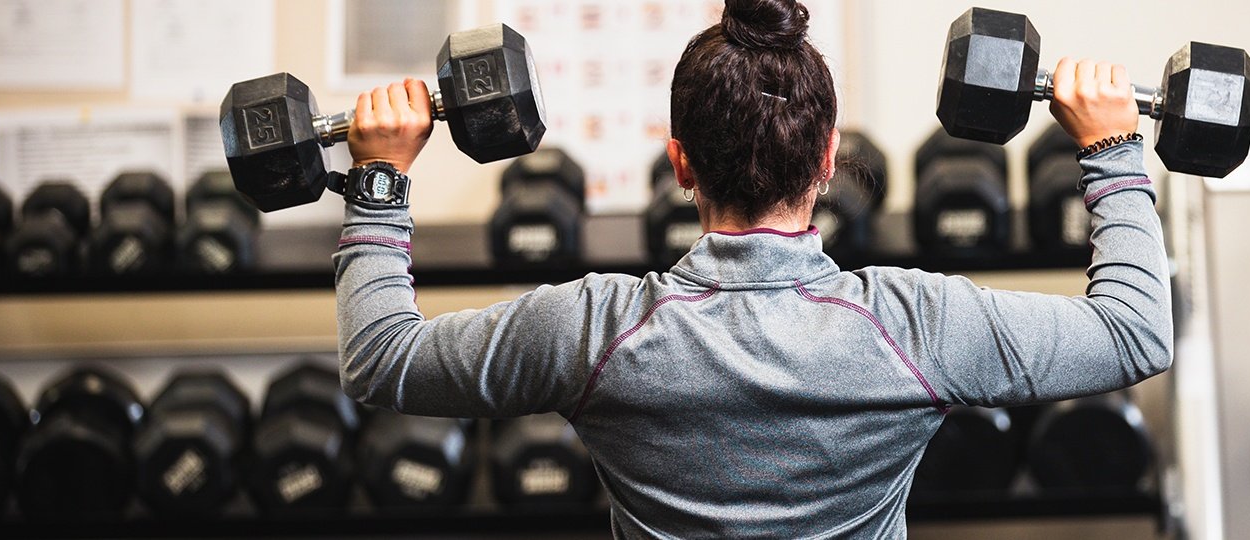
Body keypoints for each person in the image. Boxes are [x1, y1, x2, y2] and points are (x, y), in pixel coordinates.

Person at [334, 0, 1170, 536]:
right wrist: (1113, 146)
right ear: (830, 160)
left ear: (681, 165)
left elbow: (380, 358)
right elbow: (1134, 332)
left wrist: (379, 178)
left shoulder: (597, 331)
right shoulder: (913, 327)